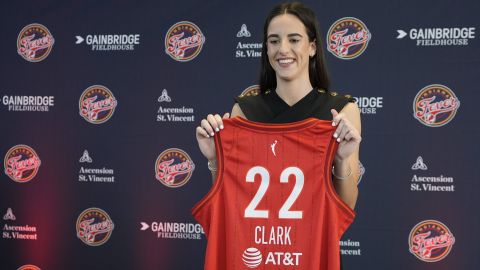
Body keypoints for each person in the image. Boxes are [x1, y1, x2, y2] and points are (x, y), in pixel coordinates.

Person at [194, 2, 361, 269]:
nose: (283, 49)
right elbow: (228, 200)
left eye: (294, 39)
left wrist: (341, 159)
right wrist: (215, 159)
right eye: (274, 41)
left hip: (308, 256)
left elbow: (345, 206)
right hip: (251, 256)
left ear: (312, 47)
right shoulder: (244, 110)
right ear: (267, 49)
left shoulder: (340, 111)